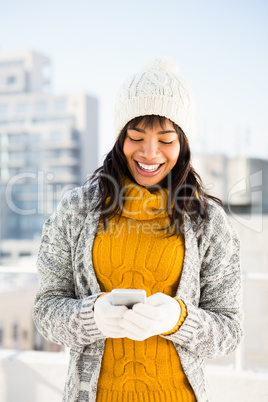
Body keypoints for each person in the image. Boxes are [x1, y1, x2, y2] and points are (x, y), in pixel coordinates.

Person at [33, 57, 243, 402]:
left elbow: (229, 332)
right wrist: (91, 317)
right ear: (120, 139)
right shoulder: (76, 209)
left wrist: (178, 318)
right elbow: (46, 311)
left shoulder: (208, 221)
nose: (149, 152)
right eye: (136, 136)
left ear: (183, 144)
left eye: (166, 139)